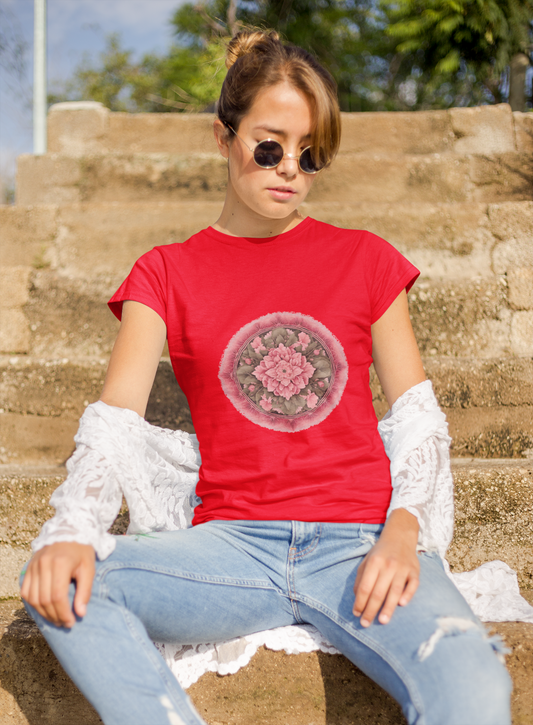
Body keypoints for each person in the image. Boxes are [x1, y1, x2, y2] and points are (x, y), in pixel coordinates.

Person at [21, 29, 512, 725]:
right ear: (222, 137)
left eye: (311, 154)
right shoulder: (163, 274)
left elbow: (418, 417)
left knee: (476, 688)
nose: (289, 169)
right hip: (230, 548)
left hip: (361, 542)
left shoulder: (366, 261)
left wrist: (404, 532)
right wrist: (72, 526)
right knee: (58, 578)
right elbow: (113, 424)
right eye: (270, 145)